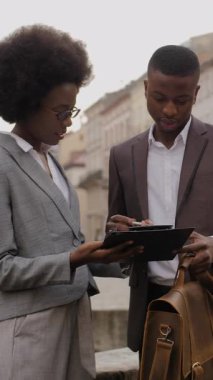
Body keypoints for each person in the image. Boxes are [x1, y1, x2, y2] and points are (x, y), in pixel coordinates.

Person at [0, 25, 144, 380]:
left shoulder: (53, 162)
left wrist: (113, 245)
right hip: (29, 328)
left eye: (72, 111)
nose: (67, 123)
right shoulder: (2, 162)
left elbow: (66, 243)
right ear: (27, 101)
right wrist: (74, 257)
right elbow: (3, 268)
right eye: (60, 112)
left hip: (75, 315)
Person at [106, 45, 213, 354]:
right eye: (159, 98)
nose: (169, 110)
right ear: (145, 89)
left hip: (208, 295)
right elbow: (113, 238)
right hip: (152, 308)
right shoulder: (122, 156)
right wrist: (119, 235)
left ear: (196, 93)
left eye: (181, 100)